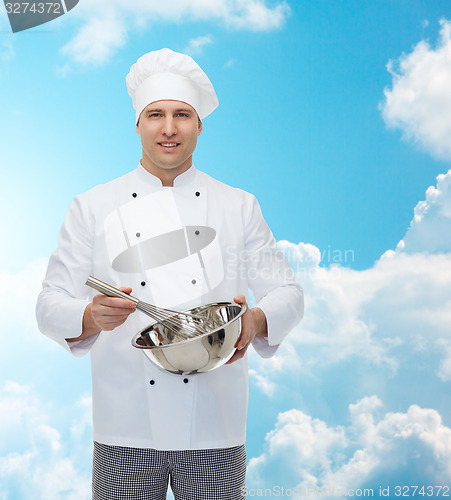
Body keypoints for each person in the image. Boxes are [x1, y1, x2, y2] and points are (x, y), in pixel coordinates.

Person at [36, 48, 303, 500]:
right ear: (137, 123)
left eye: (182, 114)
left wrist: (256, 320)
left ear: (199, 125)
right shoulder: (93, 206)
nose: (169, 128)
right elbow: (48, 303)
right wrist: (88, 316)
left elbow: (289, 292)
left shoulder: (238, 205)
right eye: (155, 114)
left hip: (215, 427)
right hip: (125, 428)